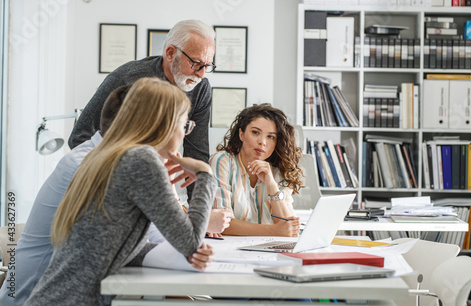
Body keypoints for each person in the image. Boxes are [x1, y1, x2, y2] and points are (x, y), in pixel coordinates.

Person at [25, 77, 217, 306]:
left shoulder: (108, 155)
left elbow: (111, 245)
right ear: (164, 123)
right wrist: (206, 174)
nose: (184, 134)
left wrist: (181, 252)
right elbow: (191, 241)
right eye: (184, 125)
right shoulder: (141, 159)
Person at [68, 19, 215, 200]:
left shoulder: (200, 88)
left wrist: (200, 209)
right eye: (196, 63)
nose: (201, 73)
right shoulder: (127, 78)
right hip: (108, 184)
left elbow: (197, 154)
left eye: (207, 66)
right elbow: (79, 138)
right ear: (170, 53)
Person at [209, 103, 304, 237]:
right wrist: (274, 231)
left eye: (271, 137)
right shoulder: (222, 161)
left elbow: (289, 227)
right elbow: (221, 223)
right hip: (231, 249)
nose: (262, 142)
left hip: (269, 250)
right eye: (255, 132)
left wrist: (271, 185)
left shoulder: (279, 169)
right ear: (241, 134)